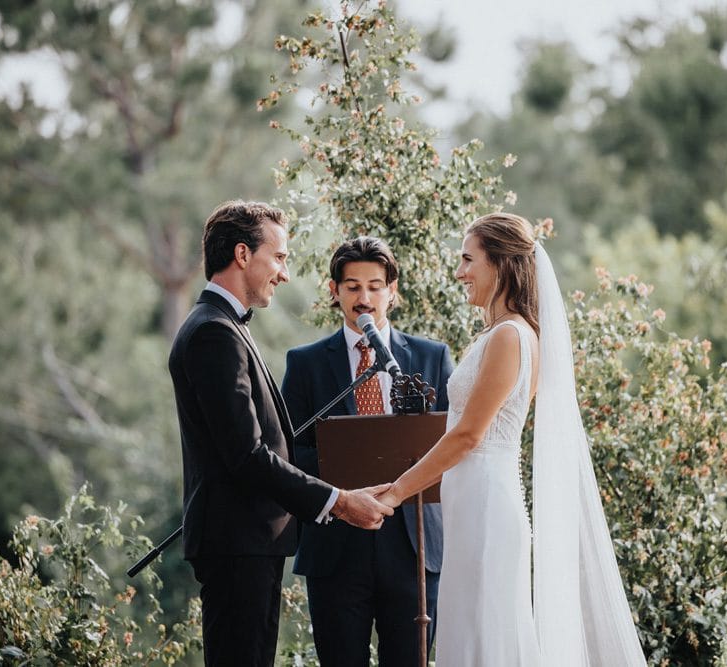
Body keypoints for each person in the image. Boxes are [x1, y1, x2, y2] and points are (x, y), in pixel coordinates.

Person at [376, 213, 647, 665]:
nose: (460, 272)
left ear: (499, 264)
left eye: (468, 260)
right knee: (471, 633)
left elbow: (467, 435)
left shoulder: (509, 336)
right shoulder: (496, 334)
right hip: (470, 505)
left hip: (486, 506)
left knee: (486, 638)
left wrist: (397, 490)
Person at [168, 201, 394, 667]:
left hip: (250, 545)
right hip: (237, 545)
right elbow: (248, 456)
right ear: (243, 255)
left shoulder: (225, 327)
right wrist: (340, 501)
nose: (285, 273)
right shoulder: (214, 333)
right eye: (280, 257)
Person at [281, 237, 454, 667]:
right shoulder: (305, 364)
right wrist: (340, 484)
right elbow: (287, 451)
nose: (365, 298)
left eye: (375, 286)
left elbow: (452, 443)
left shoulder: (432, 357)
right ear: (334, 291)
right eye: (353, 286)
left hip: (413, 544)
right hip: (335, 548)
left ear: (392, 291)